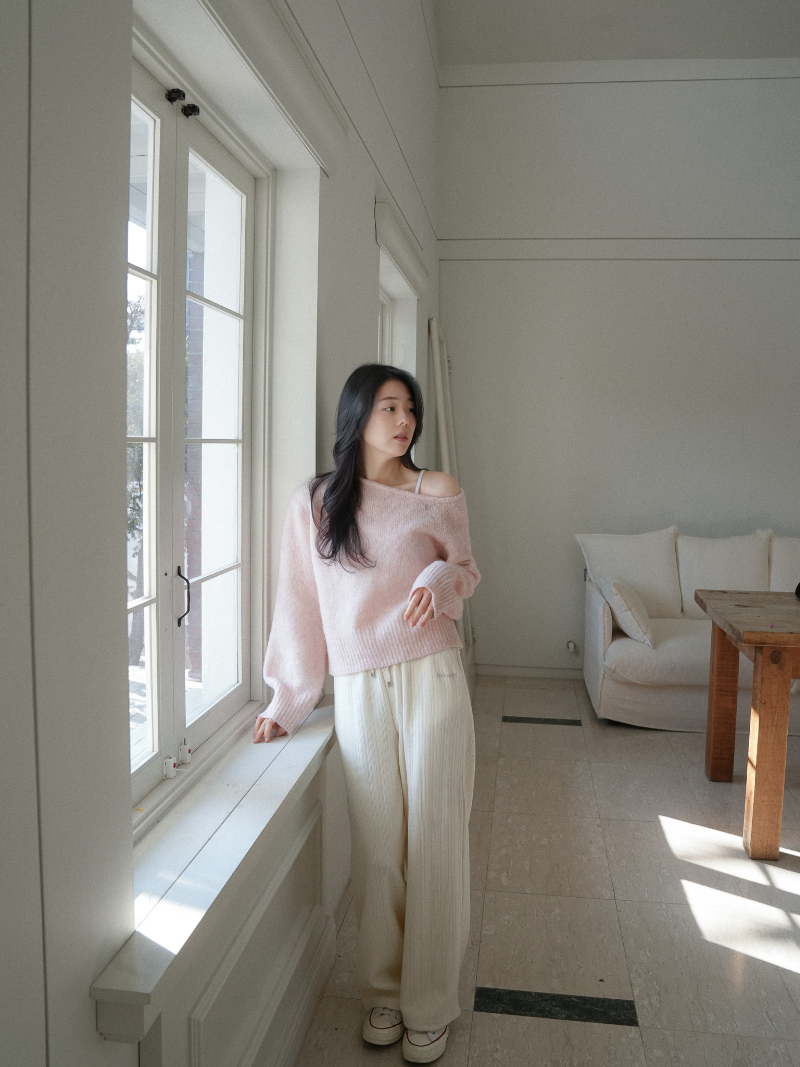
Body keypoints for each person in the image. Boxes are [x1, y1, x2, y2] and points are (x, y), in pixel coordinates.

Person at [254, 363, 479, 1063]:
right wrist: (289, 698)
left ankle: (430, 1004)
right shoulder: (316, 502)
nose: (405, 420)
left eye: (410, 408)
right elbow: (299, 600)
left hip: (431, 672)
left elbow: (467, 571)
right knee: (379, 847)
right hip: (357, 686)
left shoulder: (435, 488)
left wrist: (438, 579)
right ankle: (383, 992)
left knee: (435, 841)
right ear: (358, 414)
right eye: (389, 406)